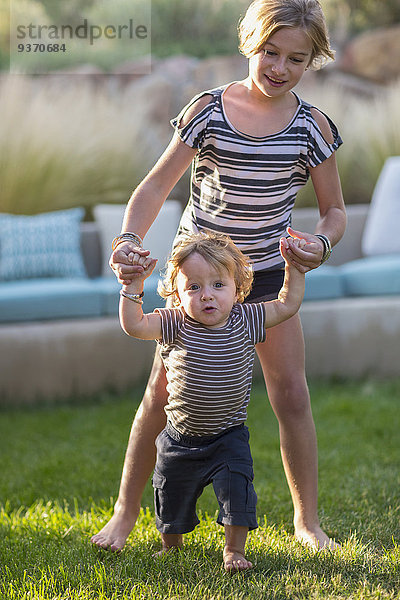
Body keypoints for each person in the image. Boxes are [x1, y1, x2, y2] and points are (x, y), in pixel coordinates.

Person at [91, 0, 346, 552]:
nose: (279, 68)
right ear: (249, 43)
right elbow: (154, 188)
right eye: (269, 53)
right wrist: (129, 240)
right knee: (161, 396)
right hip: (202, 274)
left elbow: (335, 210)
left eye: (296, 59)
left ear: (312, 60)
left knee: (291, 395)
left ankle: (307, 523)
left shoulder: (312, 127)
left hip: (269, 274)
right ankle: (125, 514)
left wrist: (320, 244)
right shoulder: (208, 109)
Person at [118, 230, 305, 571]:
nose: (207, 296)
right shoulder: (175, 323)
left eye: (218, 285)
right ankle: (170, 545)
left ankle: (234, 551)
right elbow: (133, 325)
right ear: (177, 291)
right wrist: (133, 287)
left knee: (238, 491)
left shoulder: (246, 319)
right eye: (194, 287)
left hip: (228, 437)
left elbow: (288, 304)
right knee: (170, 496)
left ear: (238, 288)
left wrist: (294, 269)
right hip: (179, 439)